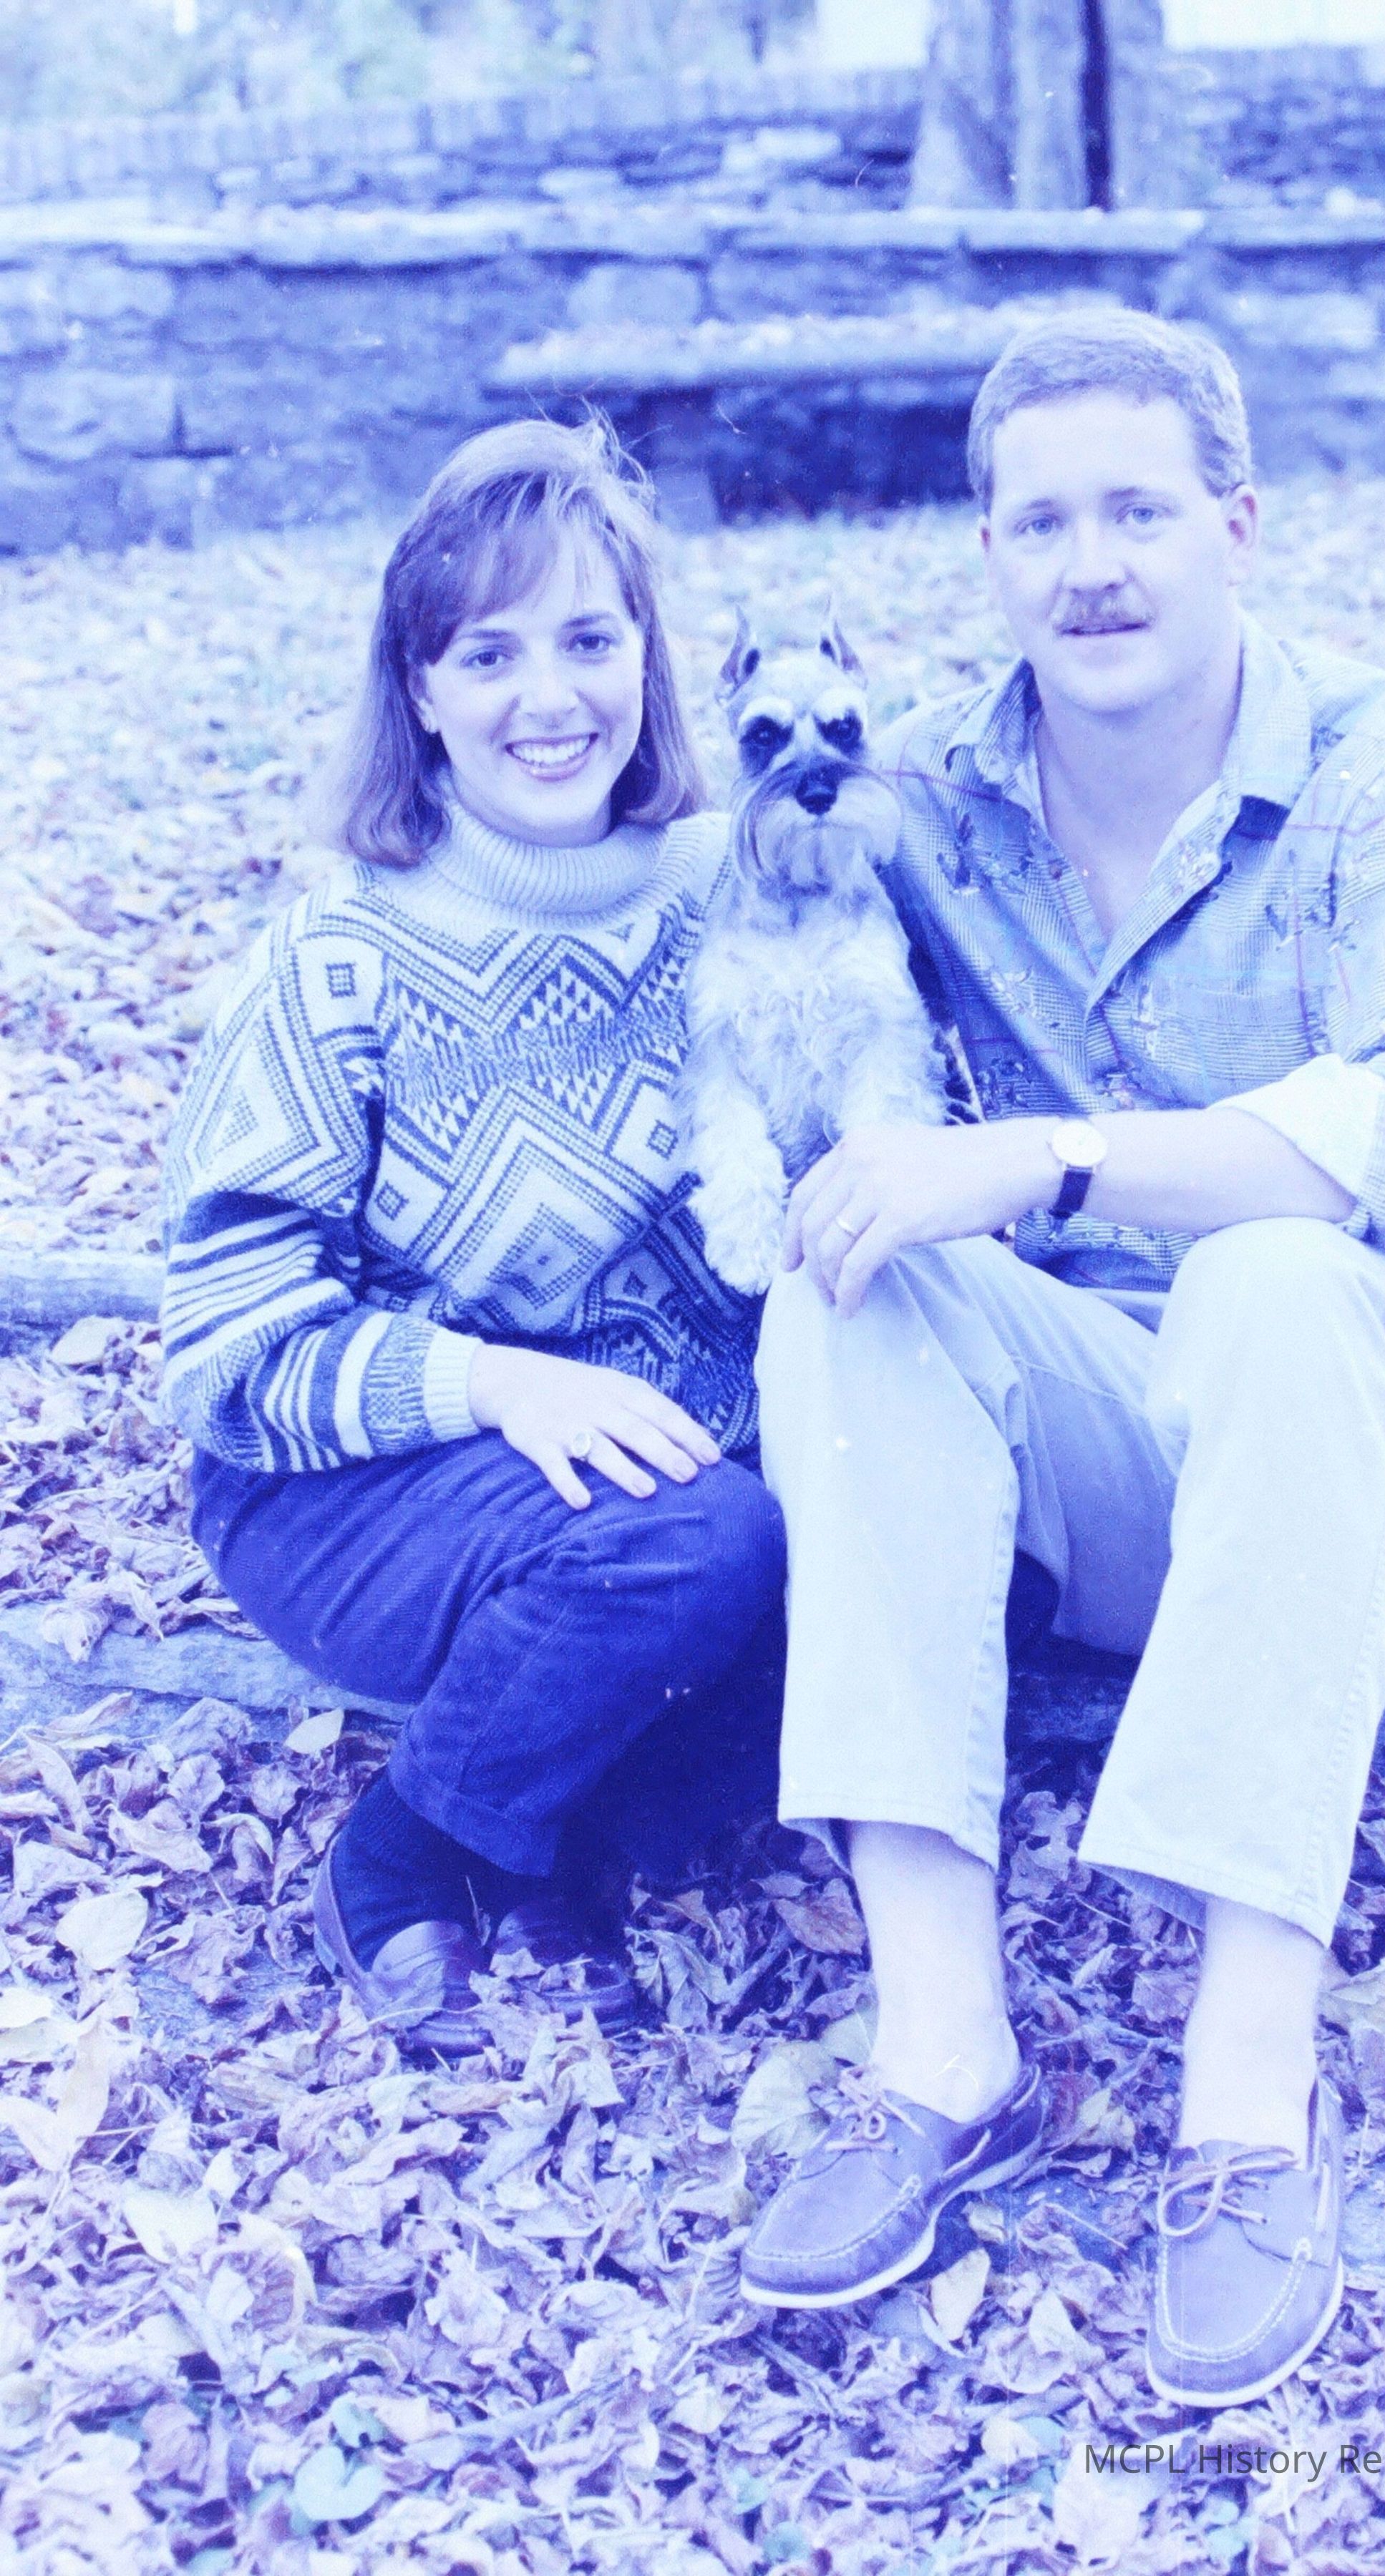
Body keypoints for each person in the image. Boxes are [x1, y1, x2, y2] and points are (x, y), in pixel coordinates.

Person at [737, 311, 1385, 2403]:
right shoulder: (926, 796)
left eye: (1138, 512)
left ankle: (1245, 2105)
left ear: (1238, 525)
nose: (1092, 568)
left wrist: (1047, 1157)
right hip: (1150, 1446)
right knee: (849, 1258)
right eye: (1041, 524)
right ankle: (943, 2054)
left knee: (1273, 1277)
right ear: (987, 554)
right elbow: (700, 903)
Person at [159, 417, 785, 2053]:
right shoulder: (343, 958)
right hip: (363, 1486)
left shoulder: (733, 898)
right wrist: (499, 1385)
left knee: (966, 1560)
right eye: (489, 654)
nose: (549, 697)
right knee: (704, 1544)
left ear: (647, 657)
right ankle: (404, 1851)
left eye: (589, 639)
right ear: (420, 688)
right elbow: (226, 1348)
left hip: (677, 1453)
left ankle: (568, 1837)